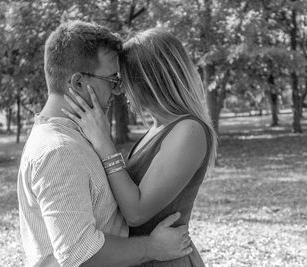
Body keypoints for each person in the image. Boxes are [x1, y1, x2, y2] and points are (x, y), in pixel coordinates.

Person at [17, 21, 193, 267]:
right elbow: (79, 253)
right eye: (112, 80)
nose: (119, 91)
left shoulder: (77, 138)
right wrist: (152, 247)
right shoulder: (59, 151)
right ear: (78, 83)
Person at [63, 28, 217, 266]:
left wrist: (104, 143)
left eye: (121, 80)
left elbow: (136, 212)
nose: (119, 90)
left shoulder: (189, 131)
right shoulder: (158, 129)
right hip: (146, 256)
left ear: (147, 81)